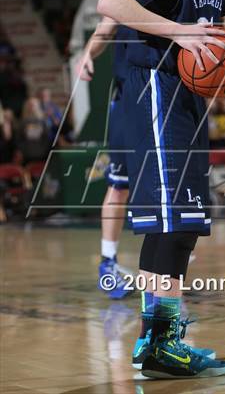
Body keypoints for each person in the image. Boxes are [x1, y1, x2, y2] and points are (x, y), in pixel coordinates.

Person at [97, 0, 225, 378]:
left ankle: (161, 338)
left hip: (187, 95)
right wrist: (179, 32)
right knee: (172, 221)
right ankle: (157, 341)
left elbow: (217, 25)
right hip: (154, 88)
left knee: (184, 223)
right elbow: (112, 3)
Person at [76, 17, 134, 300]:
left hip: (175, 98)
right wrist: (88, 52)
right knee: (119, 184)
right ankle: (108, 261)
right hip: (131, 100)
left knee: (170, 186)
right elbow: (105, 27)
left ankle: (169, 263)